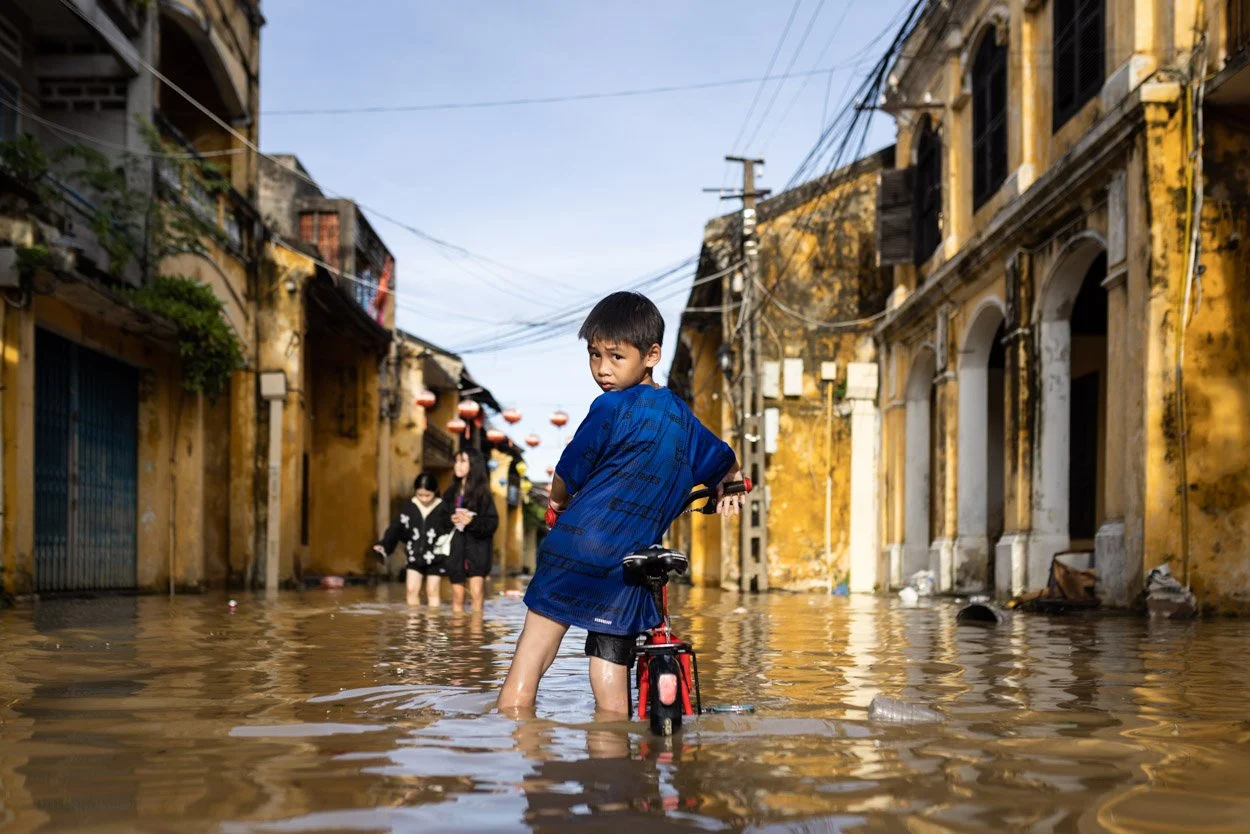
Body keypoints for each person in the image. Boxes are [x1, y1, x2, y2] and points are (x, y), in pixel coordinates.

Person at [497, 291, 744, 717]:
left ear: (651, 355)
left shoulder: (609, 407)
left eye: (615, 357)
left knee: (531, 660)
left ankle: (521, 750)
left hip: (572, 550)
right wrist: (733, 487)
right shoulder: (684, 422)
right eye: (594, 356)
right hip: (628, 563)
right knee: (611, 672)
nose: (602, 370)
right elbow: (726, 462)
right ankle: (613, 760)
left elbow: (566, 474)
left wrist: (557, 507)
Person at [373, 472, 454, 607]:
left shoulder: (443, 508)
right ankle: (413, 624)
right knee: (411, 590)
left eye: (427, 495)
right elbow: (395, 528)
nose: (424, 499)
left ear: (435, 492)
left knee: (432, 591)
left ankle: (432, 626)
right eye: (420, 495)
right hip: (414, 556)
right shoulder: (409, 507)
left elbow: (451, 532)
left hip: (435, 558)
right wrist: (383, 546)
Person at [445, 448, 499, 612]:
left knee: (477, 594)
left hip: (478, 550)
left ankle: (477, 634)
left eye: (463, 461)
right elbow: (440, 519)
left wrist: (472, 521)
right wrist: (450, 519)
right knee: (457, 595)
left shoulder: (483, 495)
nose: (458, 466)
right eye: (456, 461)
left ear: (473, 465)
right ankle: (458, 635)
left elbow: (492, 523)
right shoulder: (450, 493)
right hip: (456, 549)